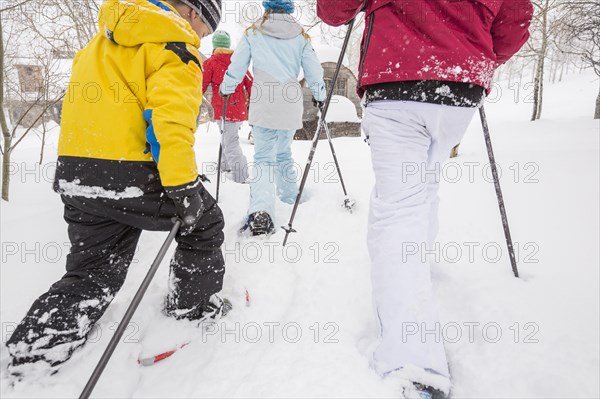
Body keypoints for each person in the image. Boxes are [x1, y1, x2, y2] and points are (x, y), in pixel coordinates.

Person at [317, 1, 533, 398]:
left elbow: (332, 11)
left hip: (397, 76)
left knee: (399, 210)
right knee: (424, 186)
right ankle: (417, 268)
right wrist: (472, 50)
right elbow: (516, 20)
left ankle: (413, 363)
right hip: (460, 85)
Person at [6, 0, 225, 379]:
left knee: (93, 270)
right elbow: (169, 124)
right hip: (131, 176)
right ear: (194, 13)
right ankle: (191, 309)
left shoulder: (98, 43)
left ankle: (34, 350)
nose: (201, 40)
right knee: (204, 222)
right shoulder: (175, 46)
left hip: (77, 171)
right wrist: (183, 187)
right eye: (205, 31)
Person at [220, 0, 326, 236]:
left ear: (267, 7)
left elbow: (237, 66)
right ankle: (289, 196)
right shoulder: (301, 36)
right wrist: (320, 95)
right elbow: (314, 70)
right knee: (284, 153)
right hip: (289, 104)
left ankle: (261, 211)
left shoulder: (254, 32)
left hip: (264, 103)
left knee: (264, 159)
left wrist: (226, 87)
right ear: (289, 9)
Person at [203, 30, 253, 183]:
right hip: (239, 109)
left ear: (215, 46)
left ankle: (241, 176)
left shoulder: (211, 62)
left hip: (223, 108)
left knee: (230, 141)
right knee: (227, 137)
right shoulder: (238, 61)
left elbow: (202, 85)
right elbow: (250, 82)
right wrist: (253, 101)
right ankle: (225, 166)